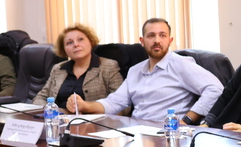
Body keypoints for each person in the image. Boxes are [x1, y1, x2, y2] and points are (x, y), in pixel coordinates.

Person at [70, 18, 222, 122]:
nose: (157, 40)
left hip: (167, 133)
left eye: (162, 35)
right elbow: (115, 102)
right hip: (137, 134)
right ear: (142, 41)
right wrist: (85, 105)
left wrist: (187, 119)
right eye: (151, 36)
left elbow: (215, 89)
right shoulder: (135, 71)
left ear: (170, 40)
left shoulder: (181, 64)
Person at [32, 24, 123, 110]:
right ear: (64, 49)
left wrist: (88, 108)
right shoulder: (58, 69)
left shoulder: (108, 67)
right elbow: (40, 98)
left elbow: (122, 105)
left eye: (80, 39)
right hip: (59, 118)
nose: (76, 44)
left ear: (90, 42)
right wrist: (52, 111)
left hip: (92, 119)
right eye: (69, 42)